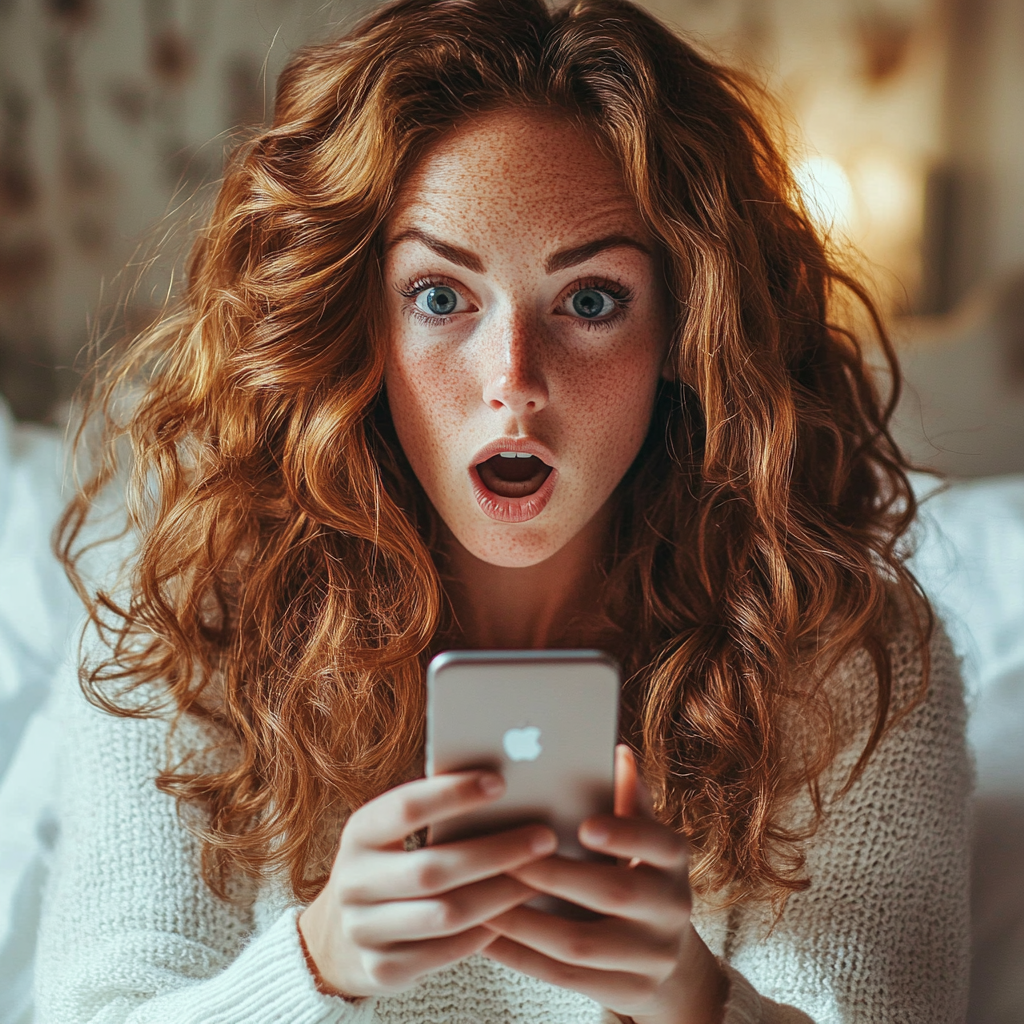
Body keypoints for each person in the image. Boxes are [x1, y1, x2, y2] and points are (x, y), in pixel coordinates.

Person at [36, 0, 971, 1021]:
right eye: (441, 298)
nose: (513, 381)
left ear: (686, 335)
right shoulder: (193, 624)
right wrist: (316, 962)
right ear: (356, 326)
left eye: (591, 300)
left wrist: (693, 998)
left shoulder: (841, 655)